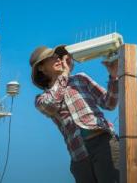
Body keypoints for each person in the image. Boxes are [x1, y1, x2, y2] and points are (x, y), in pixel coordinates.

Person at [30, 45, 120, 183]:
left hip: (104, 143)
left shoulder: (80, 79)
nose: (58, 59)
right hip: (79, 156)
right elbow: (51, 105)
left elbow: (109, 103)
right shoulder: (41, 99)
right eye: (51, 57)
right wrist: (65, 74)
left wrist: (114, 77)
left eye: (59, 56)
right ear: (41, 67)